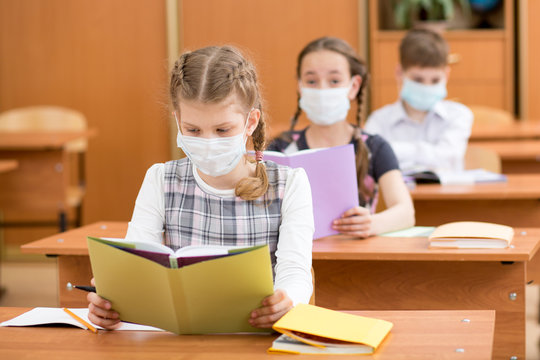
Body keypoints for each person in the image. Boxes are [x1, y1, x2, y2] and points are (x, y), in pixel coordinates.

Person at [87, 45, 314, 329]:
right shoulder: (161, 179)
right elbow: (138, 270)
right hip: (179, 342)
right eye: (193, 130)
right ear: (178, 121)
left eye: (222, 130)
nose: (207, 141)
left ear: (250, 122)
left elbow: (295, 271)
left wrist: (286, 301)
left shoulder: (290, 184)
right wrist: (112, 307)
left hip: (256, 339)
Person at [267, 37, 414, 238]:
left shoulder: (374, 147)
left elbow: (405, 212)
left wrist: (372, 223)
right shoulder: (279, 148)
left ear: (354, 86)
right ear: (300, 87)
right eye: (311, 81)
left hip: (359, 257)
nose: (322, 90)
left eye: (334, 81)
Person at [364, 28, 474, 173]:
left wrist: (390, 150)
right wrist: (430, 153)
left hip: (446, 195)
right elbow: (370, 161)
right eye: (418, 79)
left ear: (446, 75)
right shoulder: (378, 121)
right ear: (399, 73)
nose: (426, 87)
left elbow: (448, 157)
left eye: (435, 80)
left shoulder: (459, 115)